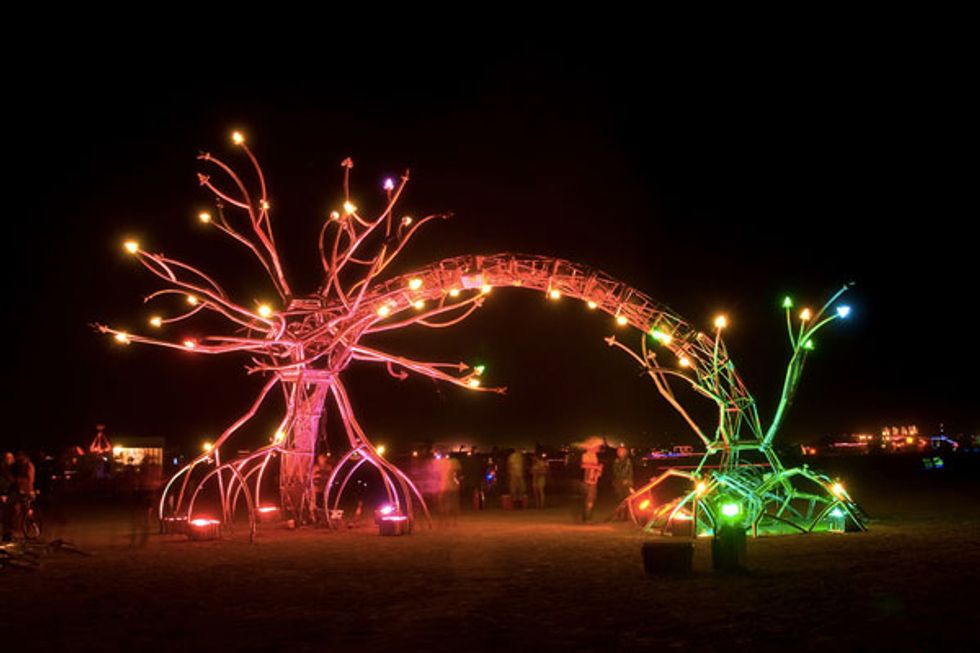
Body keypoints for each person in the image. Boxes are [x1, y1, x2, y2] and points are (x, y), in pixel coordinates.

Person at [580, 443, 603, 522]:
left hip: (593, 480)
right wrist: (597, 467)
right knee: (589, 499)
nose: (598, 448)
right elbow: (584, 465)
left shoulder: (594, 456)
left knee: (591, 499)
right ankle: (587, 518)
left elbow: (595, 467)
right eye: (596, 447)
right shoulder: (586, 455)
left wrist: (599, 471)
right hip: (589, 481)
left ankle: (587, 517)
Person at [311, 453, 333, 524]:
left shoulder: (328, 467)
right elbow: (312, 476)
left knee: (324, 503)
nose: (322, 460)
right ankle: (316, 518)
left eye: (323, 458)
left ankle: (324, 518)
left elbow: (330, 475)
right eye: (320, 458)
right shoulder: (315, 467)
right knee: (316, 503)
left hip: (325, 488)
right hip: (316, 488)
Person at [1, 452, 14, 542]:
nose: (10, 460)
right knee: (5, 514)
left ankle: (7, 534)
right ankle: (6, 534)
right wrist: (2, 493)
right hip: (4, 493)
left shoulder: (11, 468)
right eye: (8, 458)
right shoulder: (3, 468)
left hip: (9, 493)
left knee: (8, 514)